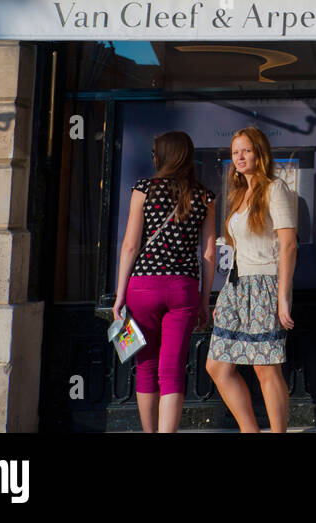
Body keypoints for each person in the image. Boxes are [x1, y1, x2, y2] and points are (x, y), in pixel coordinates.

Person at [112, 130, 216, 433]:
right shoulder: (204, 196)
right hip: (182, 289)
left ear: (163, 156)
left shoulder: (143, 189)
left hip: (143, 286)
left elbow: (130, 245)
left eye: (154, 153)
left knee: (145, 366)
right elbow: (208, 252)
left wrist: (120, 294)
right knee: (171, 370)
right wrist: (204, 298)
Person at [205, 126, 298, 432]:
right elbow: (234, 250)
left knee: (265, 366)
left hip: (265, 283)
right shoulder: (240, 195)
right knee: (217, 365)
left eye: (246, 150)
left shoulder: (275, 189)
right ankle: (250, 429)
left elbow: (288, 244)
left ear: (259, 154)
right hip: (236, 285)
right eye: (235, 152)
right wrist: (224, 296)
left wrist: (283, 297)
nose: (240, 157)